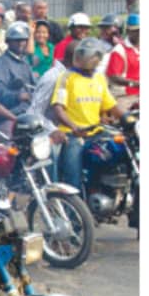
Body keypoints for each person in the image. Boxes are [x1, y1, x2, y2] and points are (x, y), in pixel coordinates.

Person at [51, 37, 121, 189]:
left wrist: (129, 120)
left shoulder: (99, 78)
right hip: (73, 135)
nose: (84, 58)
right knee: (73, 180)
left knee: (118, 159)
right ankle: (72, 210)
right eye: (81, 54)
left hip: (96, 133)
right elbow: (58, 107)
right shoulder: (66, 77)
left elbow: (111, 105)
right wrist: (73, 126)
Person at [0, 22, 36, 117]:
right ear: (8, 41)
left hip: (27, 111)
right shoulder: (1, 62)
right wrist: (17, 96)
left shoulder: (24, 62)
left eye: (23, 40)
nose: (21, 43)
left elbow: (33, 85)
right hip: (8, 114)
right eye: (16, 40)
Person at [106, 13, 139, 109]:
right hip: (124, 97)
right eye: (135, 31)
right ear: (128, 31)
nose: (138, 33)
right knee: (127, 121)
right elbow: (114, 77)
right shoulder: (119, 50)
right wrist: (135, 84)